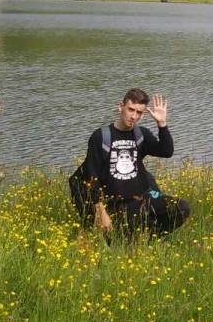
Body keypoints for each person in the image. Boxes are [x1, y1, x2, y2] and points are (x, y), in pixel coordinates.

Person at [77, 89, 190, 238]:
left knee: (182, 208)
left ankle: (152, 237)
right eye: (131, 110)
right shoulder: (101, 136)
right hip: (117, 206)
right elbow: (91, 176)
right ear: (120, 107)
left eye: (139, 113)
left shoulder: (141, 134)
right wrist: (100, 211)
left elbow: (166, 151)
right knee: (125, 239)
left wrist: (162, 124)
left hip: (144, 198)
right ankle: (133, 236)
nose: (134, 116)